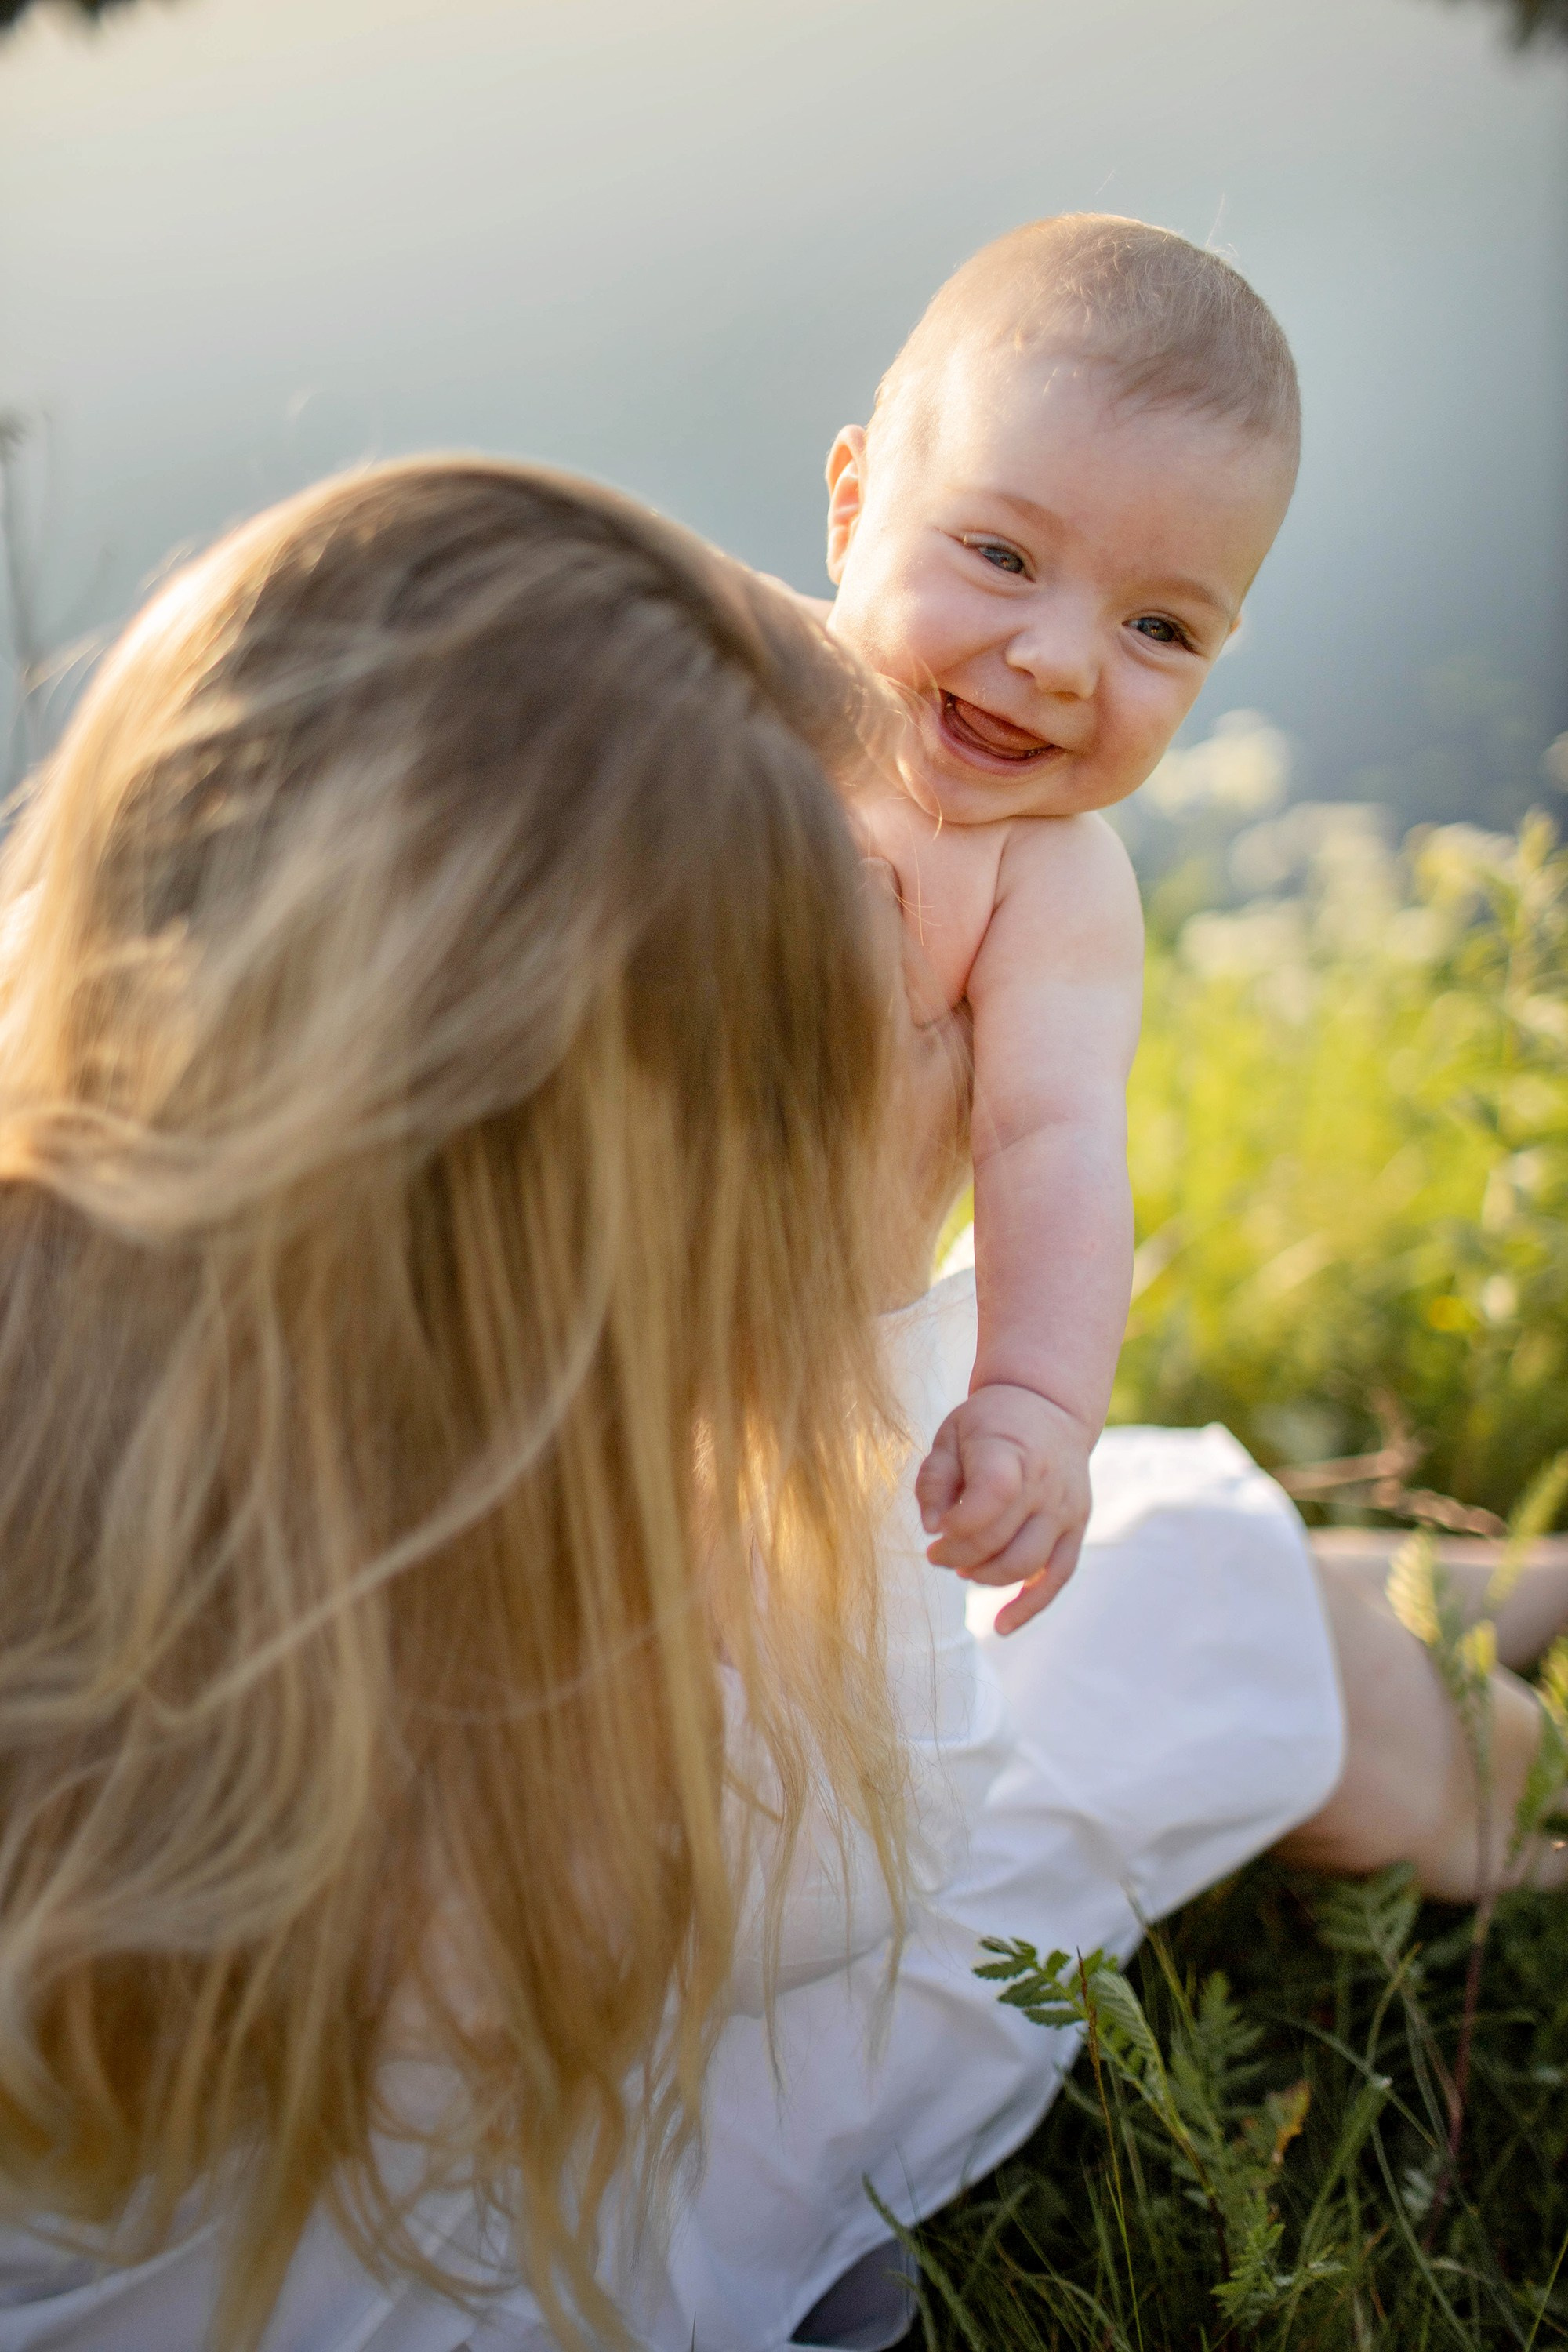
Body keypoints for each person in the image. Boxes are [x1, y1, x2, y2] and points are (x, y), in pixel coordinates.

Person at [0, 459, 1561, 2352]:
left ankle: (1393, 1593)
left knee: (1094, 1567)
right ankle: (1444, 1754)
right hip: (406, 2250)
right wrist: (867, 1296)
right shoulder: (481, 1663)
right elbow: (867, 1852)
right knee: (1126, 1680)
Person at [822, 215, 1300, 1635]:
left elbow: (1053, 1138)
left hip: (812, 1407)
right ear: (853, 508)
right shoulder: (727, 706)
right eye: (1000, 554)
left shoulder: (1050, 884)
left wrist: (1033, 1399)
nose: (1057, 662)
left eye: (1163, 631)